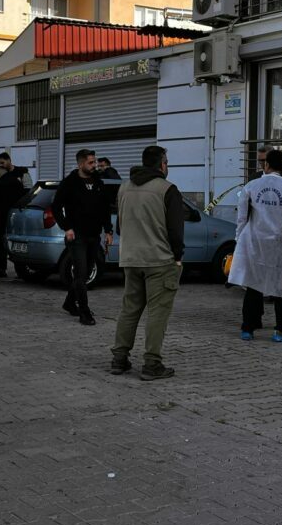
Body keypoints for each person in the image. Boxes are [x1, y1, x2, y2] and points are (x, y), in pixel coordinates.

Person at [110, 145, 186, 381]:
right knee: (157, 312)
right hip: (159, 261)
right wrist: (178, 256)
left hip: (131, 259)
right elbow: (176, 230)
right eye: (167, 161)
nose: (167, 166)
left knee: (129, 310)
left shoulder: (124, 187)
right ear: (161, 164)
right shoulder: (167, 189)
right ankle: (152, 363)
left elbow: (119, 227)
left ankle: (119, 358)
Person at [229, 149, 282, 342]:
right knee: (281, 285)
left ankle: (248, 328)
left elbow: (242, 217)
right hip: (279, 244)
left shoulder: (252, 186)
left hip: (255, 242)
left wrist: (239, 240)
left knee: (253, 283)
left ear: (267, 164)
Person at [52, 149, 113, 326]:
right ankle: (84, 312)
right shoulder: (69, 183)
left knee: (85, 273)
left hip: (94, 235)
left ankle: (69, 303)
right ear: (80, 164)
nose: (94, 165)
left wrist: (108, 231)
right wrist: (67, 227)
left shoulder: (98, 182)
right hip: (76, 236)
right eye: (90, 163)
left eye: (95, 162)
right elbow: (56, 207)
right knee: (80, 272)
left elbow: (105, 208)